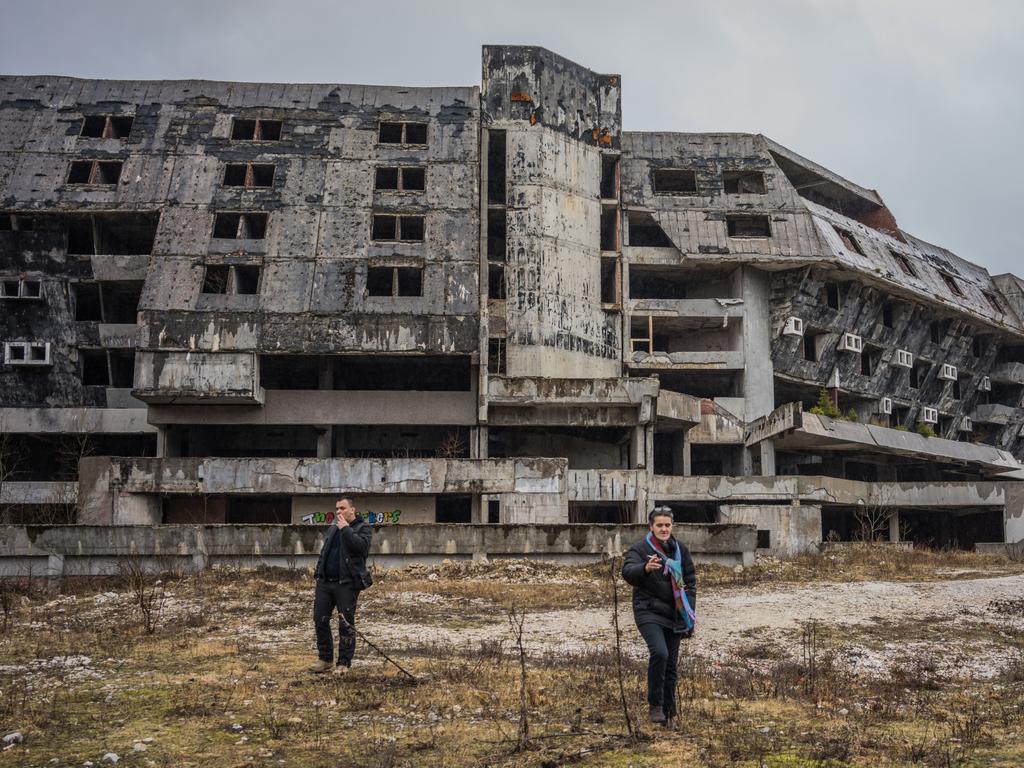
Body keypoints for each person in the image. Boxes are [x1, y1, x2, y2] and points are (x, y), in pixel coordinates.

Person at [621, 506, 696, 729]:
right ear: (651, 527)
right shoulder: (641, 549)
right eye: (659, 525)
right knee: (660, 653)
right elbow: (628, 573)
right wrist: (644, 568)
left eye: (667, 525)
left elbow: (690, 584)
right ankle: (655, 705)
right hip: (648, 610)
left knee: (671, 665)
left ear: (672, 526)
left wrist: (689, 616)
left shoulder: (680, 550)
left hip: (675, 613)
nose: (664, 529)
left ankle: (669, 714)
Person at [308, 496, 373, 675]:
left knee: (345, 624)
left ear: (352, 510)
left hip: (346, 584)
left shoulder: (363, 528)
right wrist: (319, 573)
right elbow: (325, 551)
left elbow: (361, 548)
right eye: (337, 509)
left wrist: (346, 529)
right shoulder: (333, 529)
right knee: (320, 620)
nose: (338, 512)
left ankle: (343, 663)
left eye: (342, 508)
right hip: (325, 583)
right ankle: (325, 659)